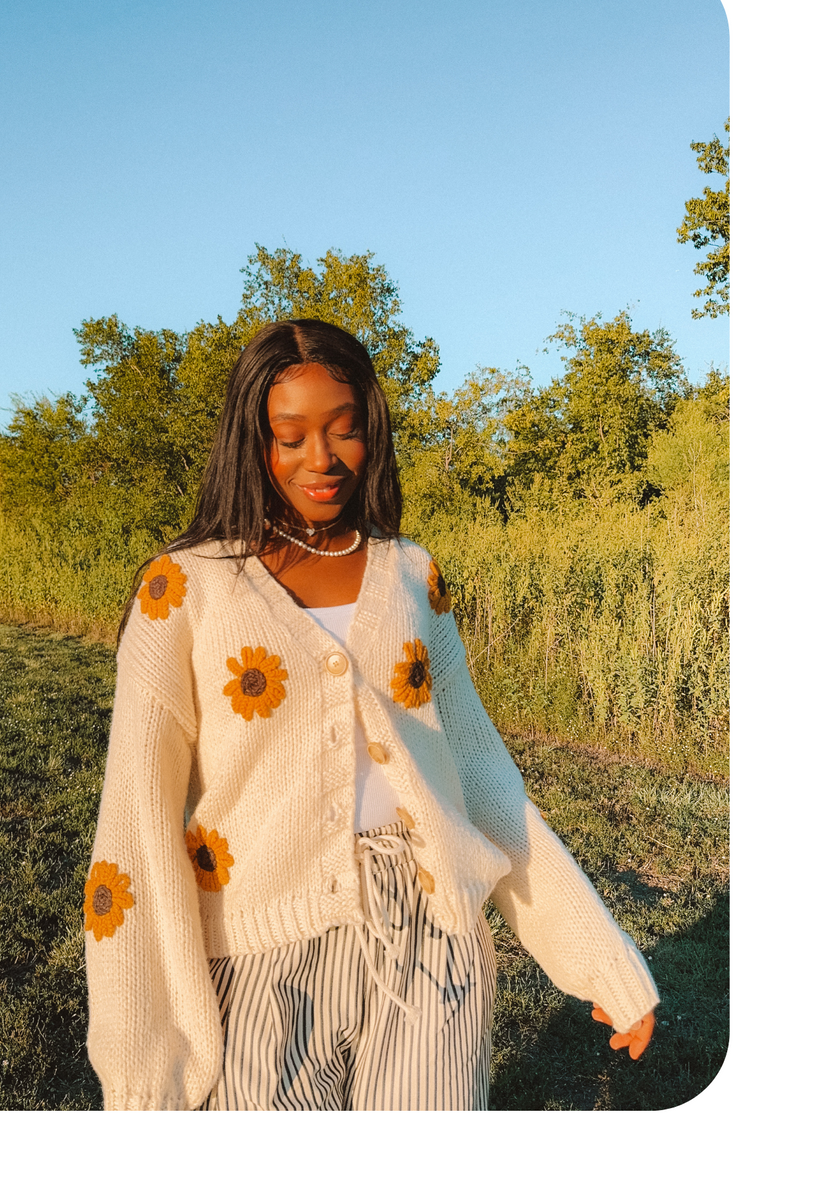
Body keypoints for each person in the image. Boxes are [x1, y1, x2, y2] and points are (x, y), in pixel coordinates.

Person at [83, 317, 658, 1111]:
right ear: (251, 441)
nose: (321, 460)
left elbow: (481, 774)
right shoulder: (184, 590)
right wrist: (142, 1065)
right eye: (290, 437)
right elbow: (135, 830)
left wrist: (600, 958)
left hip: (434, 938)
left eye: (344, 431)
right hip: (262, 952)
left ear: (372, 433)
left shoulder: (412, 575)